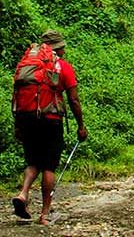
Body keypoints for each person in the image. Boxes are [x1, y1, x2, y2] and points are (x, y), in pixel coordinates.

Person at [12, 29, 88, 225]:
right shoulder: (63, 67)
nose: (64, 50)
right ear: (57, 48)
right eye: (62, 47)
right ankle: (45, 214)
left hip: (26, 118)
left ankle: (23, 193)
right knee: (49, 166)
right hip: (50, 120)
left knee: (32, 161)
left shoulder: (27, 65)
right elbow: (74, 99)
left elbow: (17, 95)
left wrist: (18, 125)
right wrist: (81, 125)